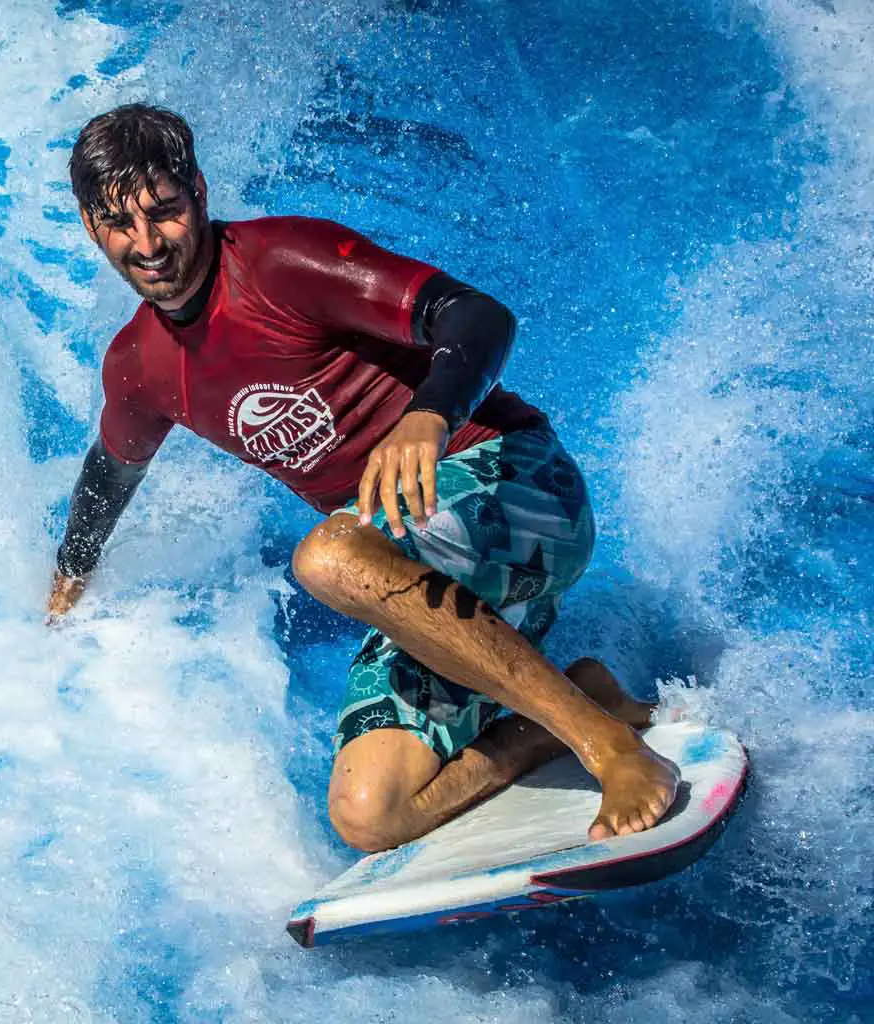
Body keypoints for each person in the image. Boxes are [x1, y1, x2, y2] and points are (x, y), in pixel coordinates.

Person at [47, 103, 679, 853]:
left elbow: (476, 315)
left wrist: (430, 416)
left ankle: (609, 746)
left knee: (326, 555)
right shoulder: (138, 366)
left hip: (528, 495)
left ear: (201, 195)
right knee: (370, 815)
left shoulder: (281, 262)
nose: (147, 244)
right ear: (92, 227)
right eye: (121, 224)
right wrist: (66, 584)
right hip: (432, 584)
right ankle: (574, 703)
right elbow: (108, 476)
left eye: (165, 213)